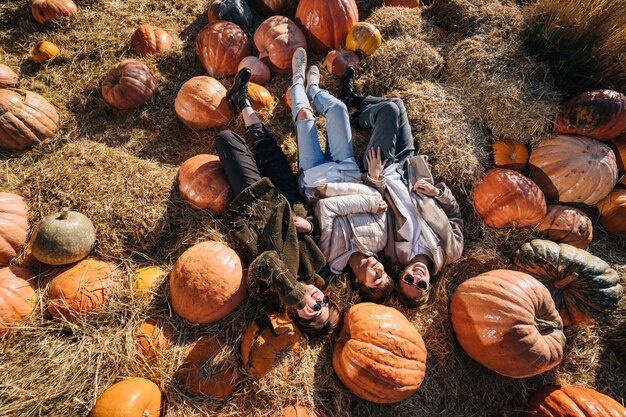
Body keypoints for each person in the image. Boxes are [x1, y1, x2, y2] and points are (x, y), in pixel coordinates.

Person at [215, 67, 339, 336]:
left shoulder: (271, 297)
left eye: (316, 309)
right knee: (268, 148)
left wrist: (294, 294)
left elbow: (266, 261)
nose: (318, 299)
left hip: (258, 205)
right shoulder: (320, 269)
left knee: (226, 139)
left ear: (298, 317)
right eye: (325, 302)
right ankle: (242, 101)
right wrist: (309, 226)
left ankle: (244, 138)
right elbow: (321, 231)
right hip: (289, 198)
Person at [338, 66, 465, 307]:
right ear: (429, 284)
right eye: (421, 284)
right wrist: (438, 192)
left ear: (400, 273)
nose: (416, 276)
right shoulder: (451, 250)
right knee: (397, 103)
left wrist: (374, 179)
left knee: (388, 110)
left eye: (408, 279)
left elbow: (375, 209)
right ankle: (357, 107)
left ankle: (356, 111)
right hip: (410, 168)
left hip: (383, 170)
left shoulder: (391, 251)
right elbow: (455, 215)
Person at [289, 48, 394, 303]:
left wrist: (365, 203)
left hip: (314, 176)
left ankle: (297, 82)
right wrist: (364, 200)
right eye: (385, 274)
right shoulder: (380, 240)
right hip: (346, 169)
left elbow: (324, 209)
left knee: (304, 116)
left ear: (359, 283)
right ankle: (315, 89)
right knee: (337, 110)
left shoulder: (328, 255)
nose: (380, 270)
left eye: (377, 279)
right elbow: (369, 194)